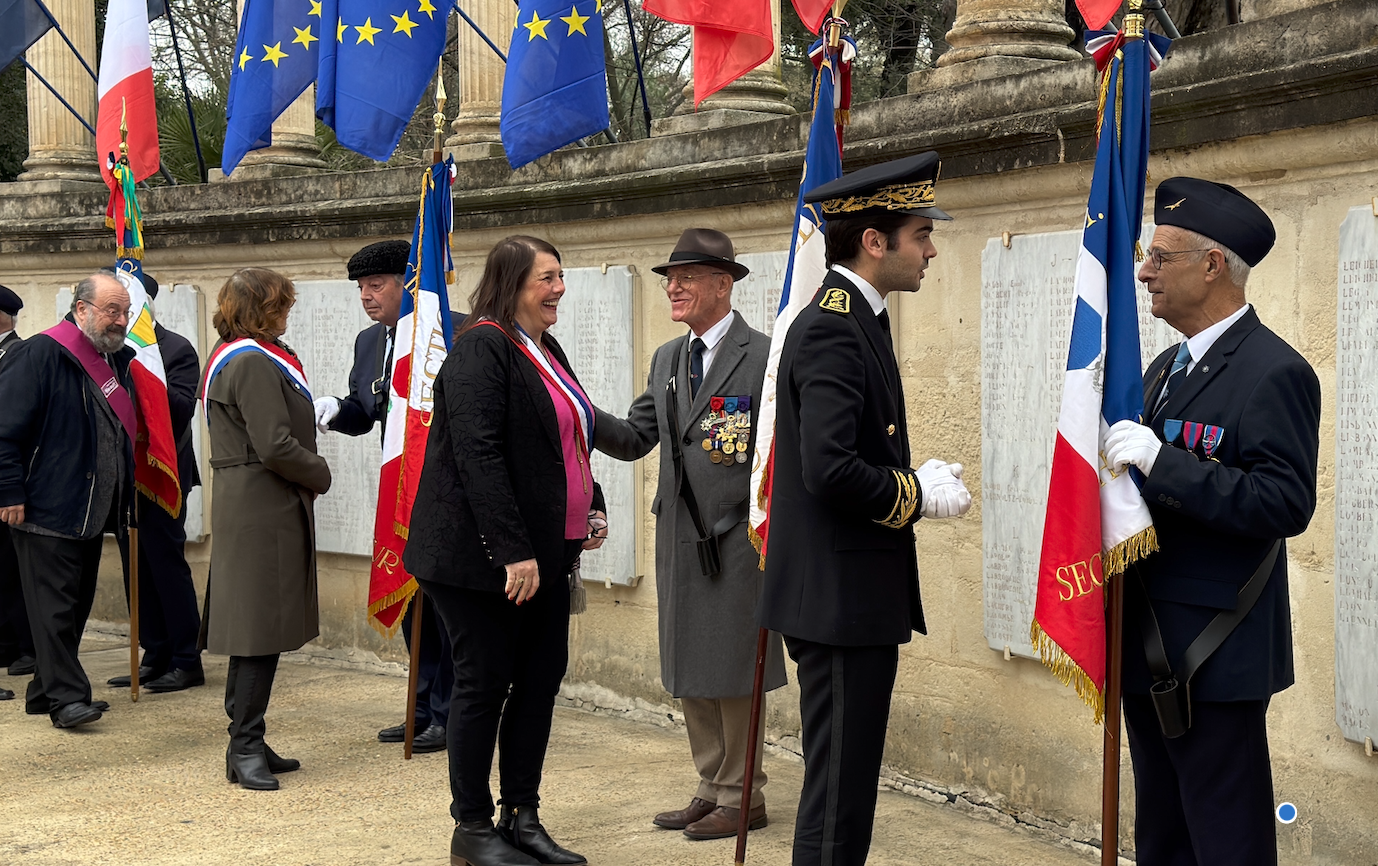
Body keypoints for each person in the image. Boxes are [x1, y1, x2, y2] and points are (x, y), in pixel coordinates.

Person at [756, 152, 972, 866]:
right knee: (838, 793)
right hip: (838, 601)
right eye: (920, 234)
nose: (931, 249)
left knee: (844, 786)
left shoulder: (859, 319)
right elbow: (829, 468)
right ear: (874, 241)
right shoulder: (832, 326)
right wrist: (914, 493)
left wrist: (908, 475)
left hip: (847, 596)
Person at [1103, 178, 1320, 866]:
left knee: (1227, 842)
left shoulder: (1274, 370)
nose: (1144, 271)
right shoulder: (1168, 365)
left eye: (1161, 258)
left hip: (1214, 653)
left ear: (1212, 265)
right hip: (1146, 636)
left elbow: (1284, 502)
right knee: (1162, 840)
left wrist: (1164, 464)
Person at [404, 236, 606, 866]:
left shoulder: (544, 348)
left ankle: (523, 815)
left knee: (540, 681)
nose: (559, 290)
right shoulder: (480, 349)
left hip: (546, 557)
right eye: (547, 278)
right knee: (483, 684)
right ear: (513, 283)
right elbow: (478, 455)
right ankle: (472, 826)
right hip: (479, 563)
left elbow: (571, 433)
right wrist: (513, 551)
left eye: (561, 276)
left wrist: (592, 502)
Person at [593, 228, 787, 840]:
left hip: (737, 541)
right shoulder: (668, 359)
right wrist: (573, 410)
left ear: (723, 285)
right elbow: (635, 435)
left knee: (734, 669)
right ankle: (713, 785)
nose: (672, 287)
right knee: (690, 666)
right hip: (680, 536)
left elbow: (781, 452)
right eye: (668, 278)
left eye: (686, 277)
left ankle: (744, 793)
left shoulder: (763, 356)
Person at [312, 239, 452, 754]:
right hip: (399, 495)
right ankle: (419, 709)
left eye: (377, 286)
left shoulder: (447, 330)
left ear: (408, 284)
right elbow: (366, 408)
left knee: (442, 607)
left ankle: (447, 712)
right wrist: (336, 410)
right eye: (361, 289)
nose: (367, 297)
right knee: (414, 604)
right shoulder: (370, 341)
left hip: (443, 493)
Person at [202, 267, 332, 791]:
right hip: (263, 503)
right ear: (262, 307)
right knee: (258, 630)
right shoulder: (253, 360)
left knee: (256, 628)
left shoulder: (239, 352)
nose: (288, 311)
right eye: (282, 303)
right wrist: (319, 473)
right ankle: (245, 744)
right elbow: (275, 443)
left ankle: (246, 735)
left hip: (256, 500)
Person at [0, 272, 138, 728]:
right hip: (44, 506)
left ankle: (43, 691)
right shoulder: (39, 353)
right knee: (54, 609)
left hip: (93, 509)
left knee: (74, 607)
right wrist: (9, 490)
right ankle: (67, 700)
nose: (120, 321)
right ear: (81, 310)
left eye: (124, 312)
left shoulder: (115, 360)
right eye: (110, 311)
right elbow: (5, 430)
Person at [109, 271, 205, 693]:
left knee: (166, 563)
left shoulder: (173, 349)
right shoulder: (106, 350)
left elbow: (182, 410)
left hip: (162, 473)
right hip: (122, 475)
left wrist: (143, 368)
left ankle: (187, 657)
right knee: (136, 566)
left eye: (125, 304)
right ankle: (154, 651)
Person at [0, 284, 35, 690]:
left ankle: (27, 645)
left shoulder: (20, 354)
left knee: (14, 567)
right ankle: (6, 642)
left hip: (11, 479)